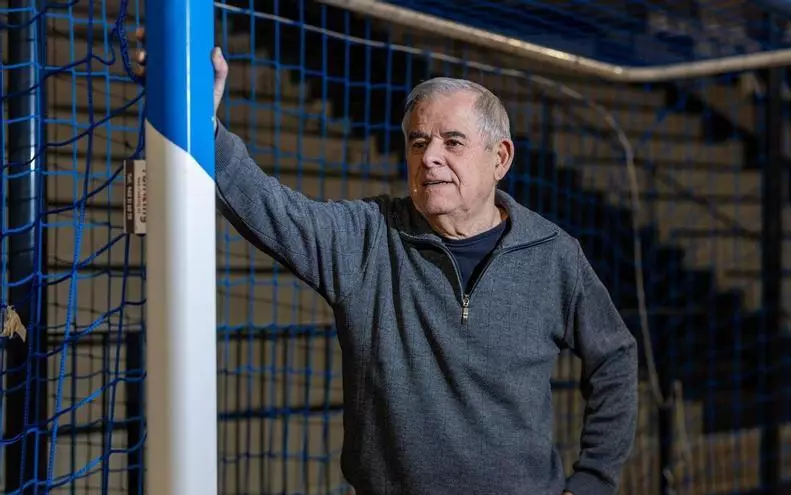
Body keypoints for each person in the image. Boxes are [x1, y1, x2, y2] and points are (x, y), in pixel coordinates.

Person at [134, 28, 638, 495]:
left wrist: (592, 481)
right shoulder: (368, 237)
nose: (430, 157)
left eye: (452, 142)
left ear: (500, 158)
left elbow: (614, 358)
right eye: (418, 142)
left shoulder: (553, 254)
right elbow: (272, 209)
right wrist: (201, 121)